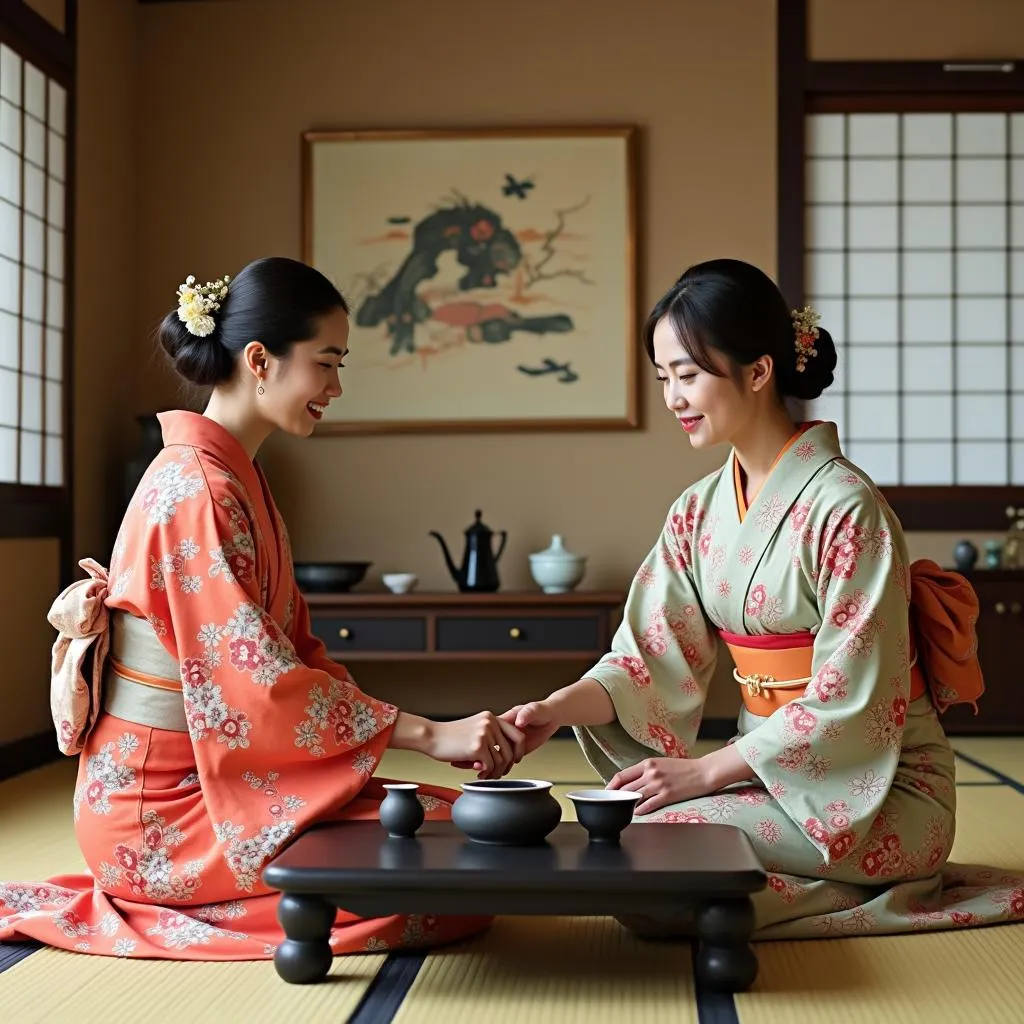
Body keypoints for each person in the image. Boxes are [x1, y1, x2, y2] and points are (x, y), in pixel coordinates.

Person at [0, 256, 525, 960]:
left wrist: (394, 741)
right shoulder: (199, 491)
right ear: (260, 360)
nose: (336, 387)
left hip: (212, 785)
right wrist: (431, 734)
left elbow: (298, 657)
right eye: (326, 363)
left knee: (453, 828)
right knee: (439, 884)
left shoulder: (232, 480)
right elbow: (258, 688)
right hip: (163, 814)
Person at [501, 258, 1024, 939]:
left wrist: (702, 775)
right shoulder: (697, 510)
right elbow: (646, 656)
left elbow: (850, 700)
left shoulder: (848, 509)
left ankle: (869, 880)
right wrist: (552, 708)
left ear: (757, 371)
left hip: (880, 788)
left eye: (687, 375)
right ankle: (809, 889)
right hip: (766, 776)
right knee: (637, 850)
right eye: (664, 379)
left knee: (646, 844)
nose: (672, 398)